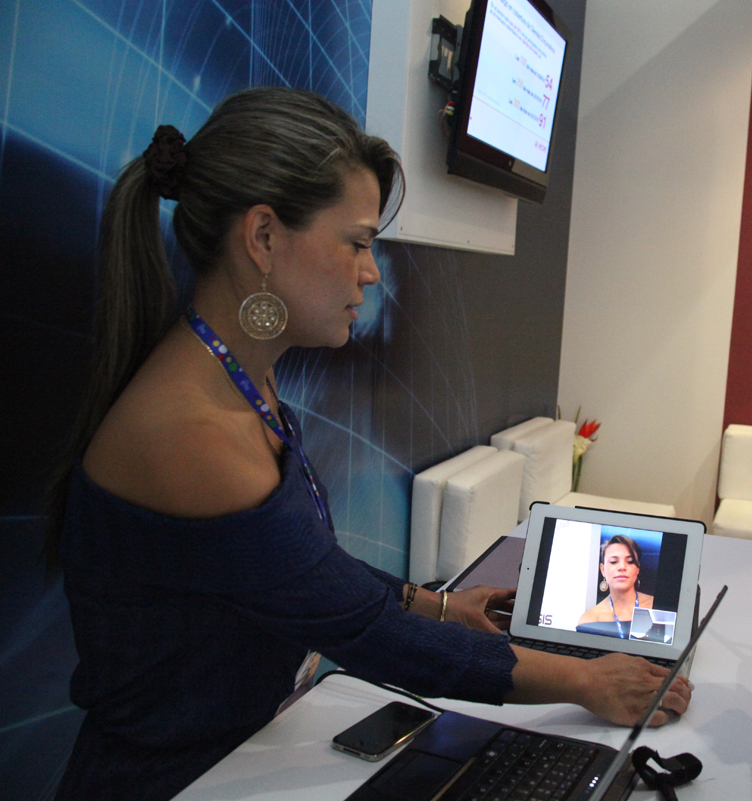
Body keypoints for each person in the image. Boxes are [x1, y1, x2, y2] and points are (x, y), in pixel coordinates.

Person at [46, 87, 690, 801]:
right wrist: (584, 680)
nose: (371, 270)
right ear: (263, 238)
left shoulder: (240, 386)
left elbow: (309, 570)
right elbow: (366, 632)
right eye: (356, 241)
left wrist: (441, 605)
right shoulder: (192, 434)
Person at [577, 535, 655, 635]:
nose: (622, 567)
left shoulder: (657, 607)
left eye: (630, 562)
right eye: (614, 562)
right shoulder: (589, 620)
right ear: (603, 570)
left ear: (637, 570)